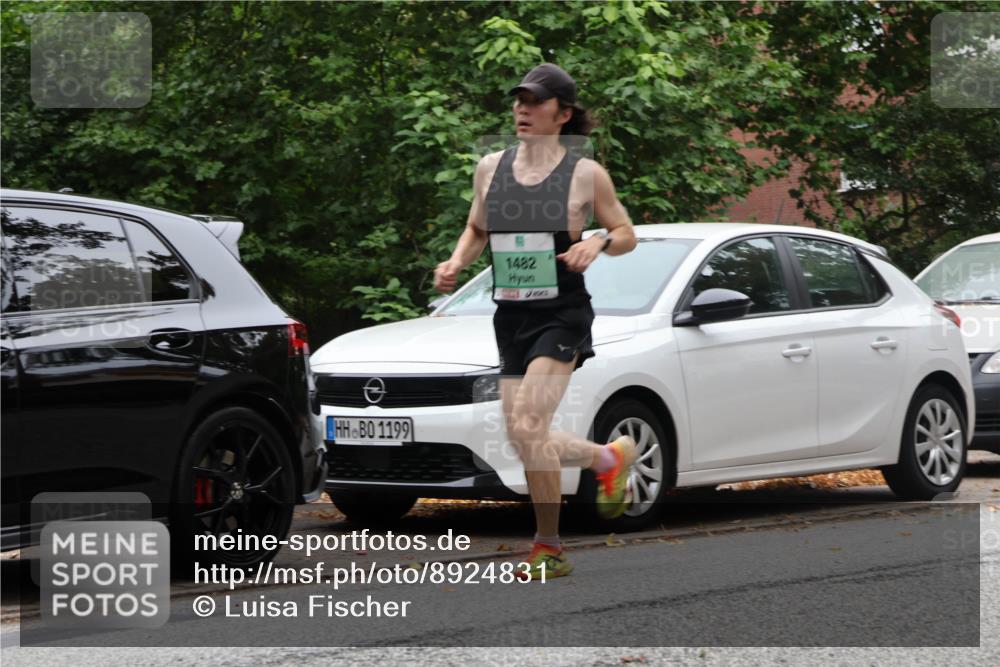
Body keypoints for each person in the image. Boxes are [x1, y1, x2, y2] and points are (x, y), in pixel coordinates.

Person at [433, 63, 637, 580]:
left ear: (563, 114)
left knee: (527, 425)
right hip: (512, 315)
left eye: (535, 101)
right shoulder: (490, 166)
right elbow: (476, 226)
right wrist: (458, 261)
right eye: (519, 99)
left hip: (561, 312)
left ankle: (556, 532)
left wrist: (597, 241)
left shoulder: (585, 173)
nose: (522, 109)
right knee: (524, 435)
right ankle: (577, 504)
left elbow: (625, 231)